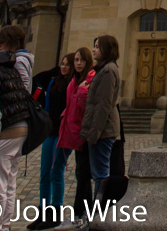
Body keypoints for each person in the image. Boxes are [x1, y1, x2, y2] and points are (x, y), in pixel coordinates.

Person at [0, 25, 33, 231]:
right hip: (21, 127)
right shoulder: (14, 68)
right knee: (10, 183)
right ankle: (4, 224)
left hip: (5, 131)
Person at [26, 54, 75, 231]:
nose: (63, 67)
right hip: (50, 132)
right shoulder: (53, 81)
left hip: (63, 133)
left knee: (56, 172)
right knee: (44, 173)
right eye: (61, 64)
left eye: (67, 65)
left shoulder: (73, 84)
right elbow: (39, 80)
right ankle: (42, 211)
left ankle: (55, 213)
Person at [55, 48, 95, 231]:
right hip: (74, 131)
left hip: (84, 132)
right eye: (76, 60)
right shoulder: (76, 80)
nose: (78, 63)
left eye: (81, 60)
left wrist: (83, 91)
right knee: (82, 175)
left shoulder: (89, 80)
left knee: (83, 174)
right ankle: (87, 213)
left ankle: (79, 213)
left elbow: (86, 106)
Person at [80, 36, 120, 197]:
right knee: (99, 173)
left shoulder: (108, 71)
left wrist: (94, 133)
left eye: (97, 47)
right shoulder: (104, 69)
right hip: (100, 129)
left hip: (102, 131)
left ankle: (99, 213)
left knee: (100, 175)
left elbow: (103, 105)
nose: (94, 50)